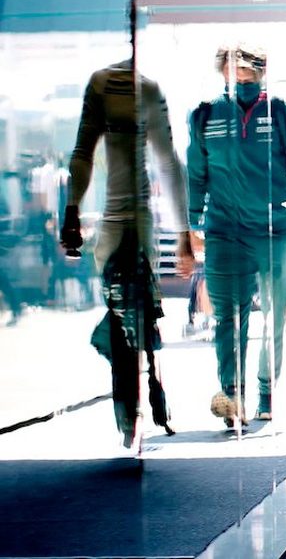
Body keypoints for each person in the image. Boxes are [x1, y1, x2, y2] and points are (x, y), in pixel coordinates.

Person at [62, 52, 195, 448]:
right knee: (134, 314)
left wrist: (72, 207)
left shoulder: (105, 84)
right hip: (132, 225)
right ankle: (140, 399)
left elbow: (84, 152)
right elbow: (168, 163)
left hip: (120, 225)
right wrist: (184, 233)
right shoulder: (135, 88)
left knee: (127, 313)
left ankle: (133, 406)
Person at [187, 43, 286, 428]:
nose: (238, 74)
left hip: (274, 231)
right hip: (223, 231)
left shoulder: (281, 113)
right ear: (221, 71)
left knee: (275, 316)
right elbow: (196, 173)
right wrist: (193, 224)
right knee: (228, 317)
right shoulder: (205, 115)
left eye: (245, 68)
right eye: (231, 68)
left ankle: (265, 391)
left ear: (260, 70)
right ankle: (232, 394)